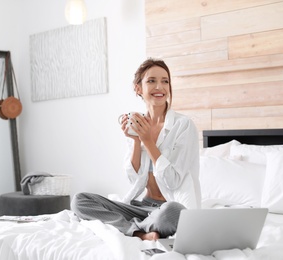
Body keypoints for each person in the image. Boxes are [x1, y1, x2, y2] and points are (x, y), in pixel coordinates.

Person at [71, 58, 201, 241]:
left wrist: (147, 141)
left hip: (166, 208)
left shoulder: (183, 125)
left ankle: (129, 227)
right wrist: (135, 142)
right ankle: (141, 232)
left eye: (165, 81)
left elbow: (173, 181)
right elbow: (134, 179)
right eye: (152, 81)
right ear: (138, 88)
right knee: (79, 200)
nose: (160, 87)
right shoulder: (137, 124)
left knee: (175, 212)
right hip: (140, 207)